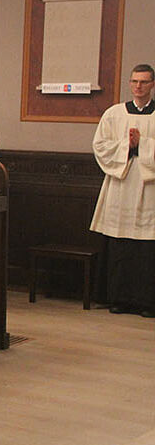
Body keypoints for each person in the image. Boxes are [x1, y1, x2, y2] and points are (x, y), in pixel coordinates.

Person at [90, 64, 155, 318]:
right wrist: (128, 145)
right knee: (121, 246)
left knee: (147, 250)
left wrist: (144, 145)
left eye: (144, 82)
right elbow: (101, 147)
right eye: (134, 82)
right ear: (130, 84)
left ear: (152, 84)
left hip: (150, 189)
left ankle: (148, 302)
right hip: (122, 185)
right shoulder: (114, 113)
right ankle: (119, 299)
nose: (138, 86)